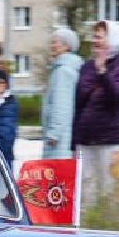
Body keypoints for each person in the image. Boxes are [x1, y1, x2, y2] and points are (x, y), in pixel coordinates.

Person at [72, 19, 119, 208]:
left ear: (112, 40)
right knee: (85, 196)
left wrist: (102, 72)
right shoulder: (86, 67)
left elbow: (118, 96)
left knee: (111, 194)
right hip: (85, 141)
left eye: (100, 37)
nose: (95, 41)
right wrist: (73, 142)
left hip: (111, 142)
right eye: (94, 37)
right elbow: (79, 104)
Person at [42, 27, 82, 158]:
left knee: (57, 169)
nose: (52, 46)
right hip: (64, 135)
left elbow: (61, 105)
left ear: (66, 46)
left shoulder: (62, 72)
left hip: (59, 139)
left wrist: (54, 133)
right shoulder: (66, 69)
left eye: (55, 42)